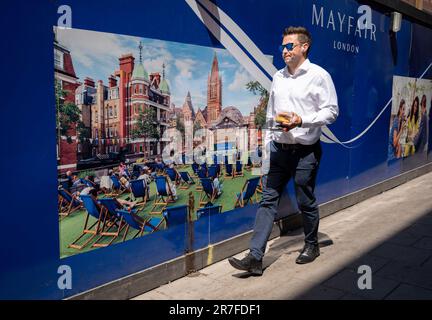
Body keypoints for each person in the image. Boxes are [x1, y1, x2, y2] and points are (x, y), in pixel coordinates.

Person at [228, 26, 339, 275]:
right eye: (283, 47)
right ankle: (255, 257)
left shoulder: (319, 76)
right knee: (268, 200)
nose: (285, 51)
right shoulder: (278, 77)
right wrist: (267, 148)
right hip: (279, 149)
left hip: (305, 151)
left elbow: (331, 111)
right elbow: (270, 113)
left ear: (304, 47)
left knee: (305, 200)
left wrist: (302, 120)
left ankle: (311, 245)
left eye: (289, 46)